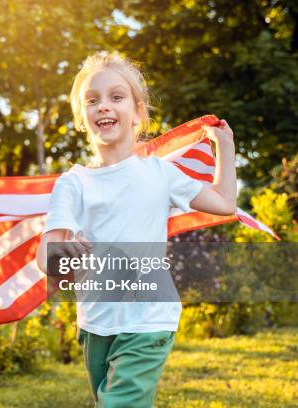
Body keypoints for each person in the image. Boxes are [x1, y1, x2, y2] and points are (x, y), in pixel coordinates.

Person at [36, 52, 236, 407]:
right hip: (96, 321)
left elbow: (224, 202)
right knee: (110, 399)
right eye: (92, 100)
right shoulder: (73, 183)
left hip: (149, 317)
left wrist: (225, 146)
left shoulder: (160, 173)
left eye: (116, 97)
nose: (103, 106)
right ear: (82, 117)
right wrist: (60, 257)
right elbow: (46, 253)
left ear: (138, 112)